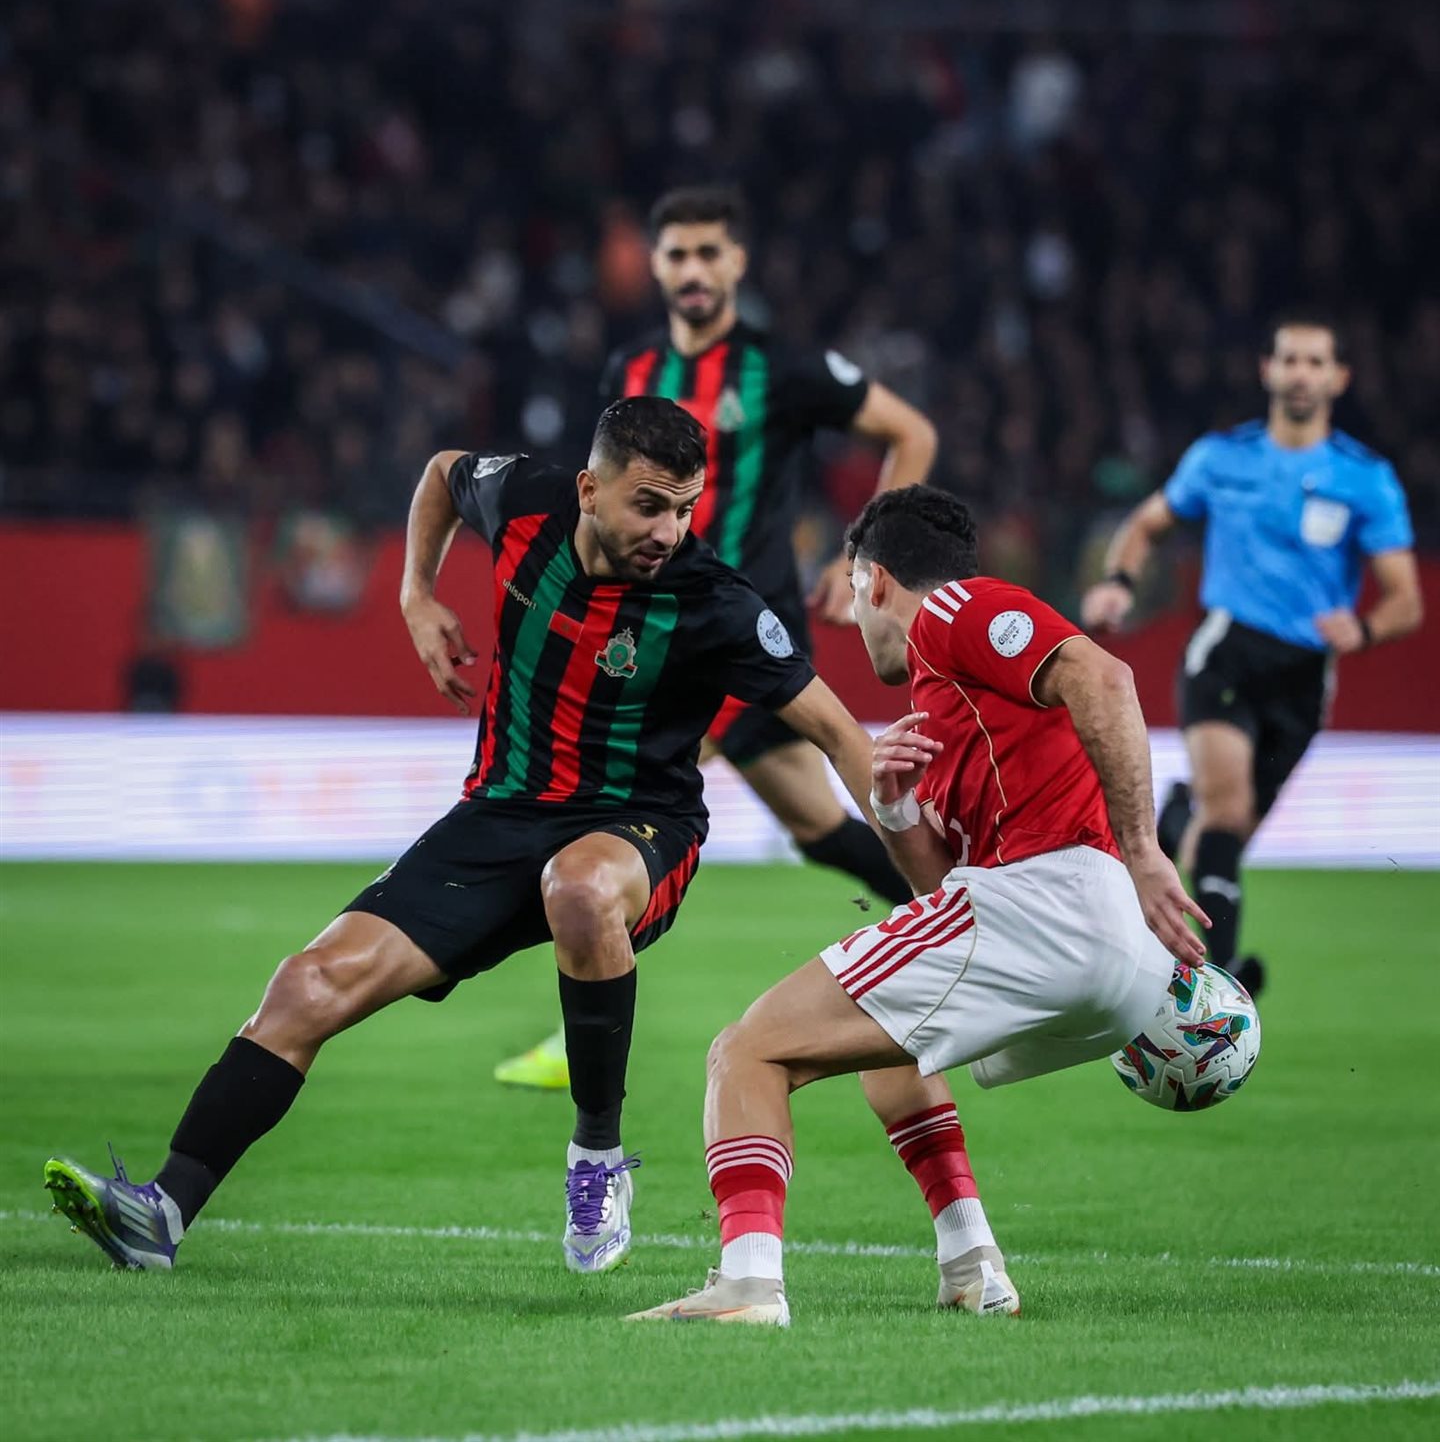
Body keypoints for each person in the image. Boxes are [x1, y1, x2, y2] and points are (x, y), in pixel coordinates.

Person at [44, 398, 890, 1278]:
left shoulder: (713, 603)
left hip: (638, 826)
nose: (670, 531)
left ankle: (596, 1155)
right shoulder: (523, 502)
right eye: (650, 505)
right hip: (496, 817)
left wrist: (931, 879)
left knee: (579, 887)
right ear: (588, 490)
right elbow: (442, 472)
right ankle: (163, 1213)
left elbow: (839, 733)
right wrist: (417, 592)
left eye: (686, 507)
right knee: (307, 984)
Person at [628, 484, 1207, 1326]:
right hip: (1104, 957)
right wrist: (894, 803)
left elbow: (1105, 677)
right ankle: (973, 1263)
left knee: (745, 1053)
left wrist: (1145, 850)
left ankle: (747, 1285)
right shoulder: (952, 709)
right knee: (898, 1051)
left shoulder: (954, 612)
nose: (854, 622)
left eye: (853, 594)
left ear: (873, 580)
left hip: (1060, 900)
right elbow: (938, 894)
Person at [496, 183, 938, 1089]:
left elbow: (911, 433)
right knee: (818, 827)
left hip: (733, 631)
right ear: (655, 266)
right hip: (653, 630)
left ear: (737, 262)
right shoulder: (629, 368)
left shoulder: (782, 365)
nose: (693, 271)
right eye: (677, 255)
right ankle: (973, 921)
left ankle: (573, 1025)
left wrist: (862, 555)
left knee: (609, 798)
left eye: (709, 254)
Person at [1080, 313, 1422, 995]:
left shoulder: (1365, 479)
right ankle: (1217, 974)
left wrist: (1367, 629)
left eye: (1315, 362)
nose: (1300, 373)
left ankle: (1176, 822)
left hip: (1303, 676)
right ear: (1267, 370)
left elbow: (1405, 599)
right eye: (1289, 360)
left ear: (1339, 378)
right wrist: (1118, 582)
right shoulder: (1221, 457)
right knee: (1230, 812)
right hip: (1227, 650)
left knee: (1227, 832)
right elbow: (1147, 523)